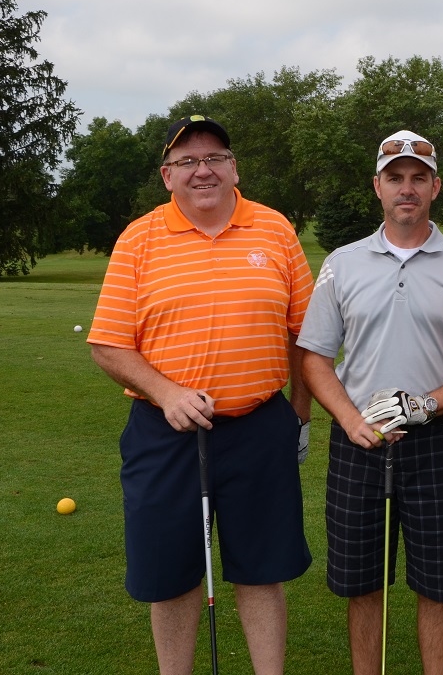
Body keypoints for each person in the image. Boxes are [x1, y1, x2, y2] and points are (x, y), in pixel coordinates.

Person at [88, 115, 314, 675]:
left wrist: (300, 419)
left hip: (260, 426)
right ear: (167, 176)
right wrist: (166, 393)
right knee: (170, 575)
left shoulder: (275, 229)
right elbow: (109, 345)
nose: (202, 170)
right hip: (164, 432)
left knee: (262, 571)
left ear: (234, 167)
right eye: (187, 161)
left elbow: (306, 336)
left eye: (214, 157)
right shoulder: (138, 238)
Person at [297, 130, 443, 675]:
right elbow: (314, 356)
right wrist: (349, 419)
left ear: (436, 186)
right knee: (362, 583)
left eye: (417, 178)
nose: (406, 189)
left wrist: (426, 405)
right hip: (359, 441)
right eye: (395, 178)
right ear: (377, 187)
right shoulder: (342, 262)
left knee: (438, 584)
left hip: (438, 439)